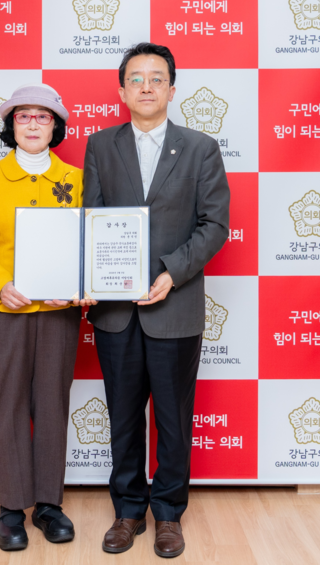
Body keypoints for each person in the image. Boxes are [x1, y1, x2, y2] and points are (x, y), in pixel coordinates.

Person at [83, 43, 230, 558]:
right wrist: (89, 276)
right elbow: (90, 221)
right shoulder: (100, 146)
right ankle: (127, 511)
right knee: (122, 418)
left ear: (171, 88)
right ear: (122, 90)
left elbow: (215, 225)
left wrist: (171, 273)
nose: (146, 86)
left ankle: (168, 514)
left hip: (175, 307)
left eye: (156, 78)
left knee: (173, 419)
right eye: (136, 78)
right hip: (115, 312)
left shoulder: (201, 147)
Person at [0, 83, 84, 552]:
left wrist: (79, 288)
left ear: (56, 126)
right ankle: (11, 508)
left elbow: (89, 242)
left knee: (52, 402)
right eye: (23, 116)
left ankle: (48, 504)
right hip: (3, 311)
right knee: (8, 403)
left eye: (42, 116)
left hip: (59, 312)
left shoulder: (78, 178)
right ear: (11, 126)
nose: (32, 123)